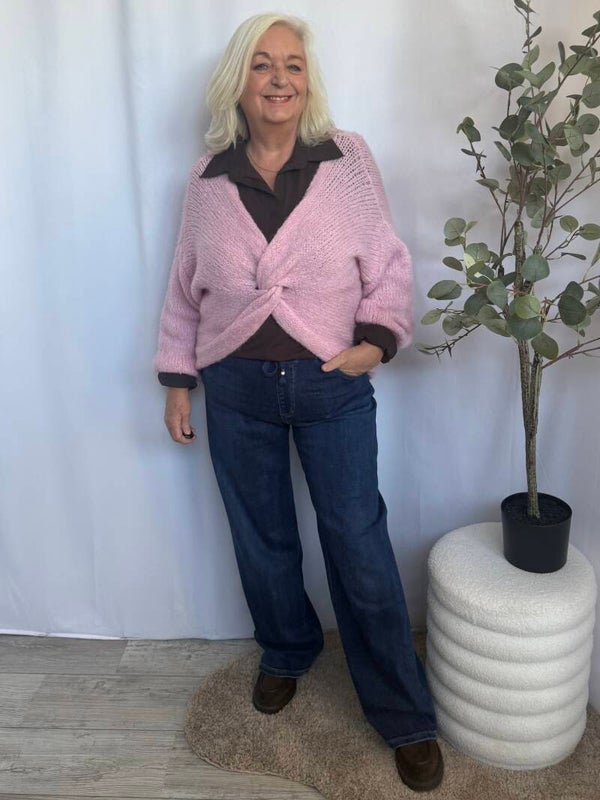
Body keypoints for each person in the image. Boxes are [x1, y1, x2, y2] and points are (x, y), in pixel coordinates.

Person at [153, 12, 443, 793]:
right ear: (237, 82)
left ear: (307, 81)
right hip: (236, 386)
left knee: (358, 545)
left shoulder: (347, 159)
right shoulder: (207, 179)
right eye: (262, 64)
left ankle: (403, 713)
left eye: (292, 64)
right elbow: (185, 285)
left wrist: (374, 342)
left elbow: (388, 263)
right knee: (263, 537)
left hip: (330, 383)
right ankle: (288, 648)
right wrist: (178, 378)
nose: (279, 78)